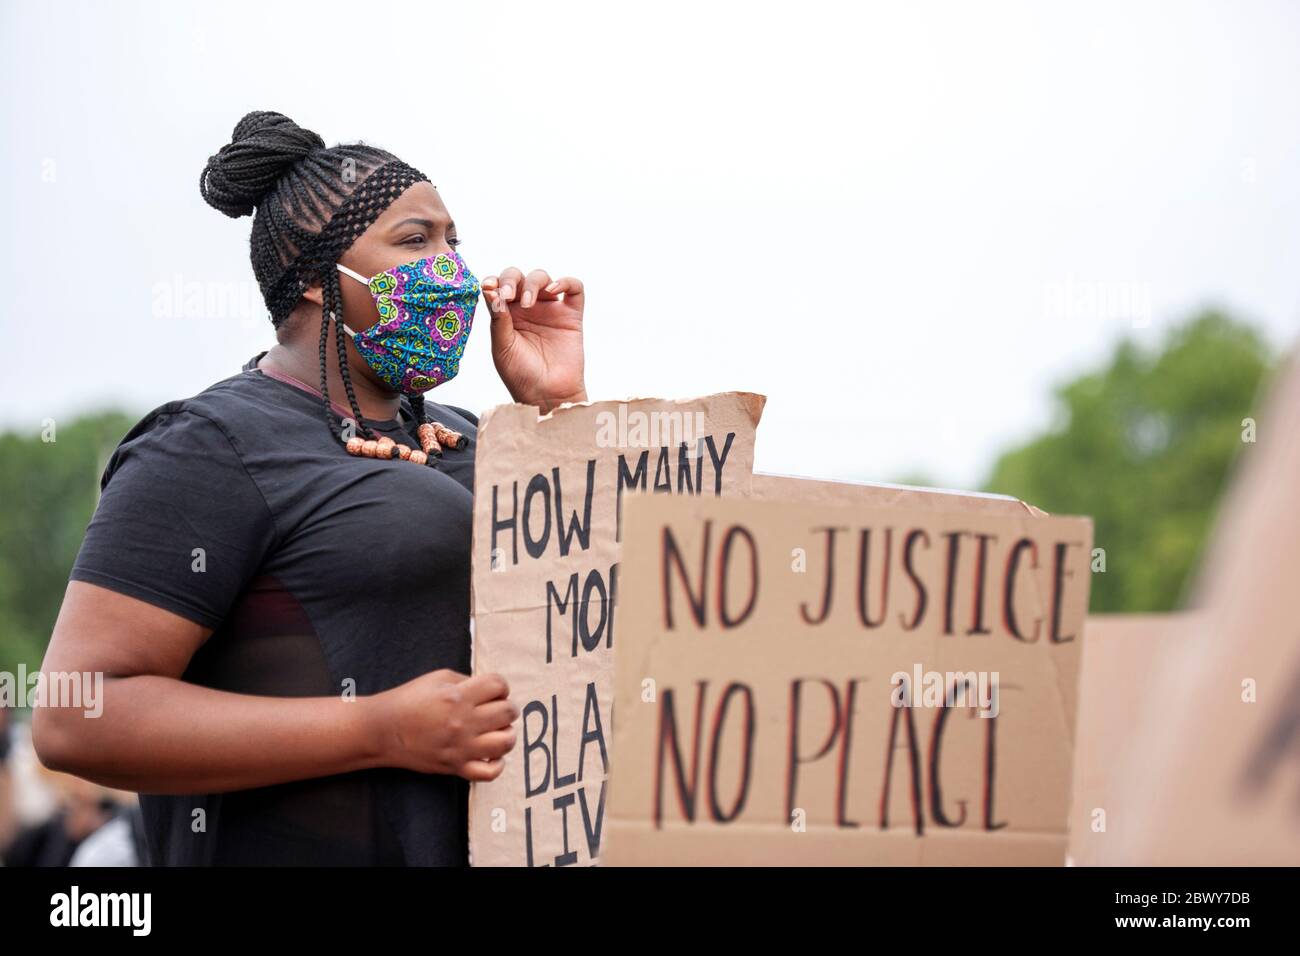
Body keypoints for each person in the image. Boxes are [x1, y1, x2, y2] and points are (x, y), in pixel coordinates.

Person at [32, 111, 588, 866]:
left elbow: (591, 610)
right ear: (321, 278)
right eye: (416, 241)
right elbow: (77, 716)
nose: (453, 269)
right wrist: (380, 730)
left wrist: (555, 407)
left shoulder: (477, 435)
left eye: (454, 241)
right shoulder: (211, 444)